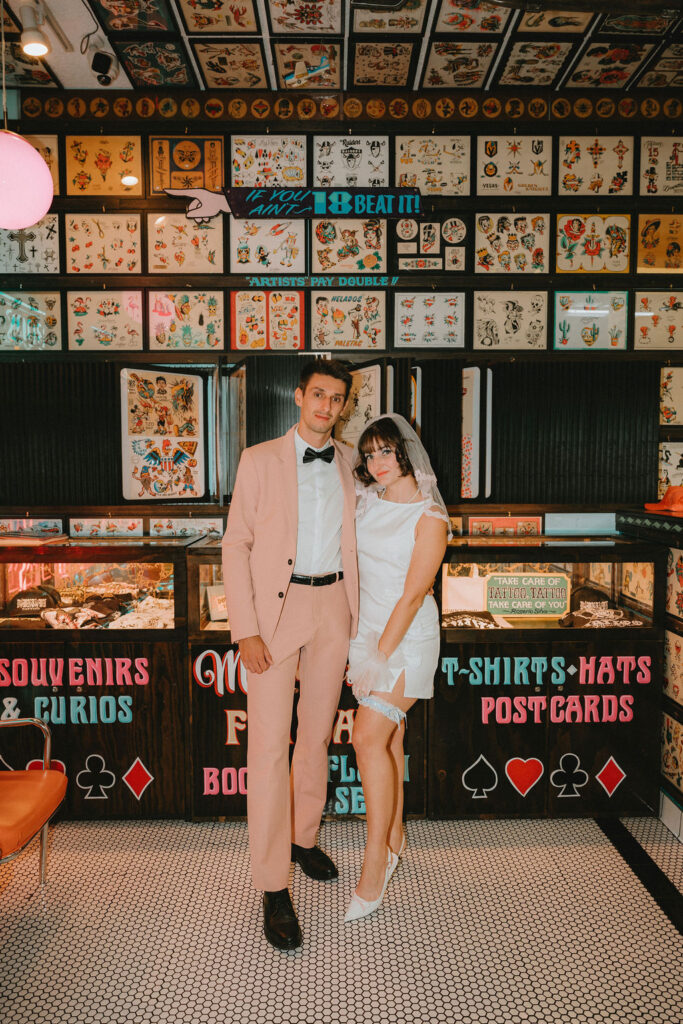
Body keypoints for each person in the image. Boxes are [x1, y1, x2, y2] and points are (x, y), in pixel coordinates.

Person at [222, 358, 359, 951]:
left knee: (317, 736)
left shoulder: (354, 462)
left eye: (338, 399)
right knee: (268, 745)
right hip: (274, 617)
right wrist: (245, 629)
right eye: (319, 395)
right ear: (299, 396)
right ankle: (272, 884)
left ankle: (304, 838)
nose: (328, 407)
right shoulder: (258, 460)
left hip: (334, 607)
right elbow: (236, 546)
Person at [345, 414, 449, 922]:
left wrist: (377, 658)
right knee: (388, 741)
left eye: (386, 452)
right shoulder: (367, 503)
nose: (377, 463)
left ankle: (376, 860)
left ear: (408, 453)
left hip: (405, 641)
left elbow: (412, 597)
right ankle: (397, 833)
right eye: (370, 455)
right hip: (366, 632)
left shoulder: (429, 518)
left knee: (366, 739)